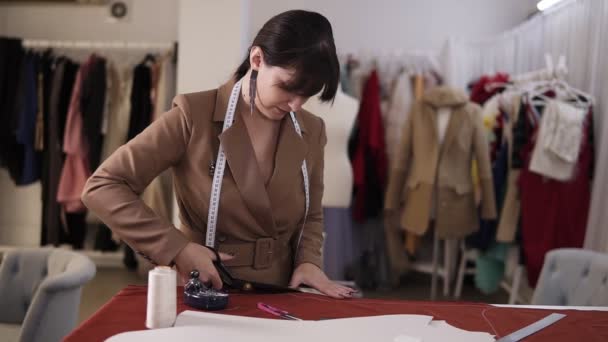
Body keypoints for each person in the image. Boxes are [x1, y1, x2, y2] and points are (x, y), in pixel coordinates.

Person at [82, 10, 355, 299]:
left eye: (308, 94)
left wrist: (309, 260)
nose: (296, 105)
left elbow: (311, 214)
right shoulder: (193, 116)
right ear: (257, 60)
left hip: (283, 293)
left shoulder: (312, 131)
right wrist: (177, 249)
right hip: (206, 287)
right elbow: (103, 186)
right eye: (288, 88)